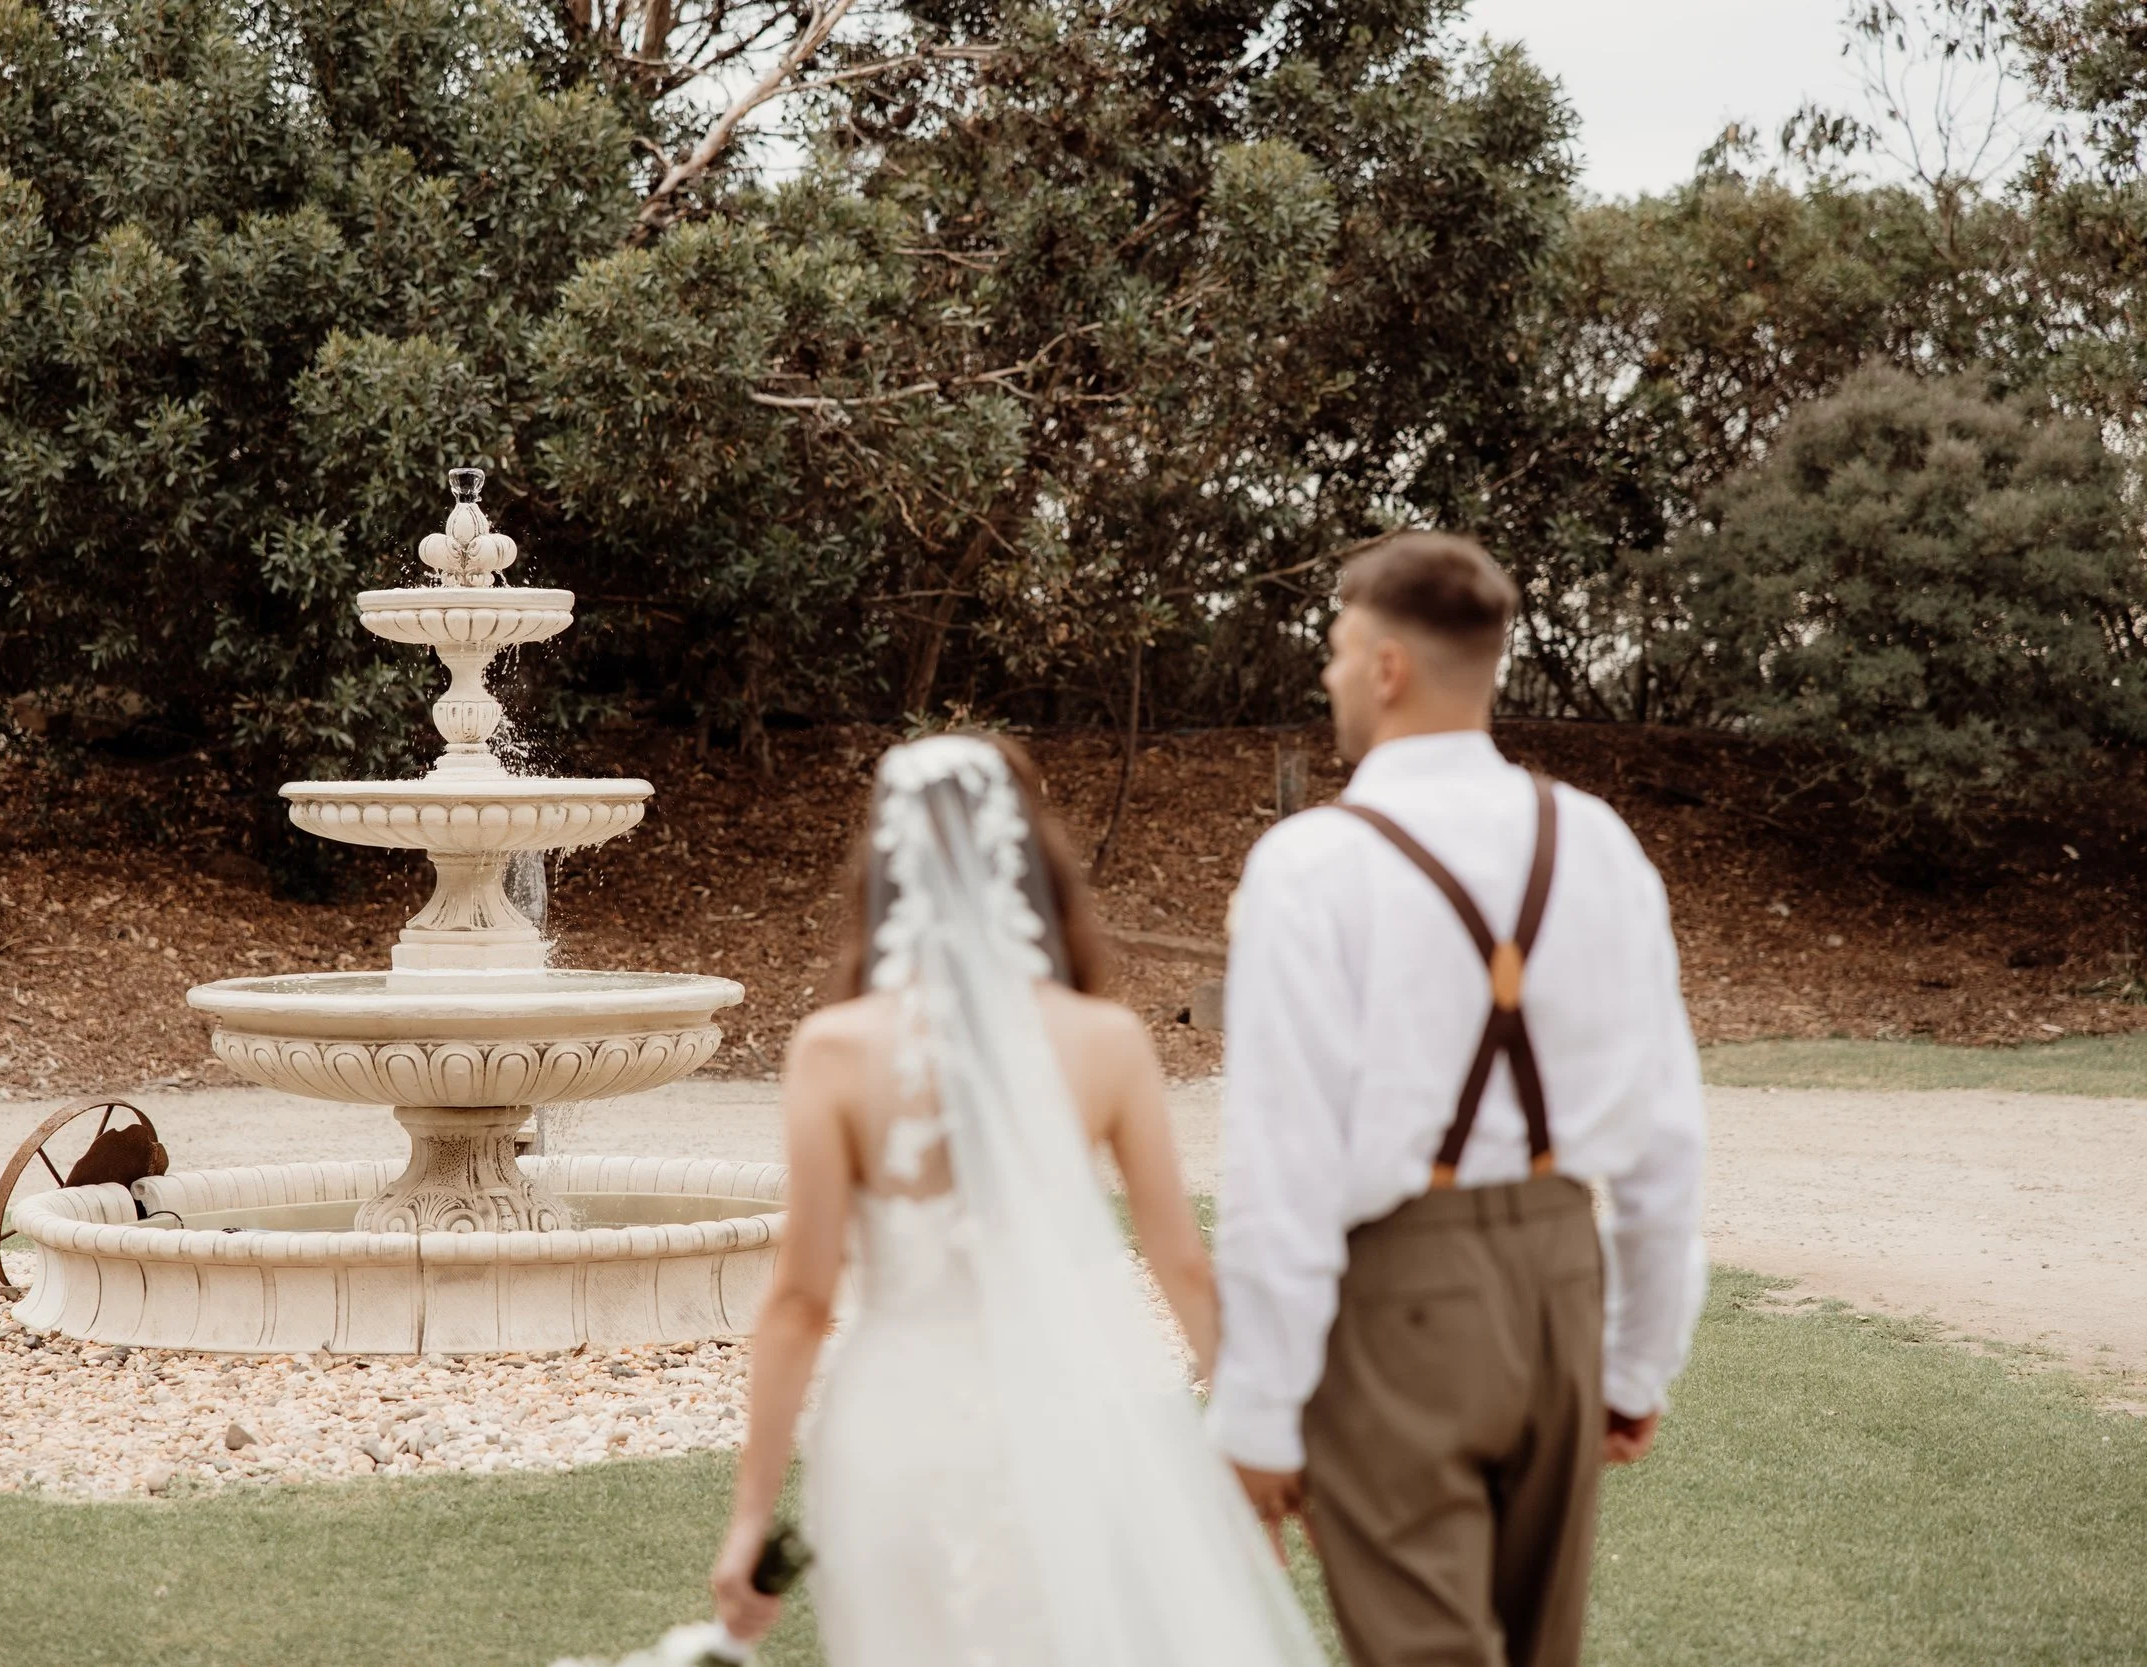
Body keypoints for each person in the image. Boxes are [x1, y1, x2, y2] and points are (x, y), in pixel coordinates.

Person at [710, 733, 1325, 1667]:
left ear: (887, 866)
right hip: (1074, 1419)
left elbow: (801, 1300)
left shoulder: (833, 1051)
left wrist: (752, 1513)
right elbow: (1184, 1265)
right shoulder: (1107, 1041)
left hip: (893, 1430)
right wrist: (1252, 1437)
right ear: (1025, 859)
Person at [1209, 532, 1707, 1667]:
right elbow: (1667, 1137)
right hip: (1559, 1285)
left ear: (1386, 665)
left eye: (1336, 649)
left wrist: (1256, 1413)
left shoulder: (1308, 863)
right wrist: (1632, 1362)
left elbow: (1281, 1168)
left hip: (1401, 1298)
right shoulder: (1599, 841)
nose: (1327, 676)